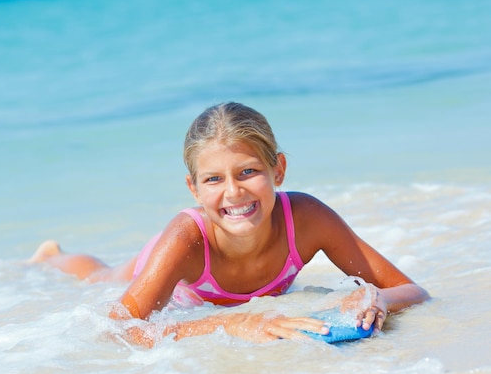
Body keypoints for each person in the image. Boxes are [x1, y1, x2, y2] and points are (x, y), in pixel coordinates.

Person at [30, 102, 430, 346]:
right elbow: (115, 330)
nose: (235, 192)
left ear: (279, 170)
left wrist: (377, 298)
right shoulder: (186, 238)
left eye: (248, 171)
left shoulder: (307, 219)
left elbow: (411, 289)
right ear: (194, 188)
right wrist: (230, 324)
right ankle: (54, 255)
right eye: (214, 179)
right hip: (165, 257)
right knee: (103, 276)